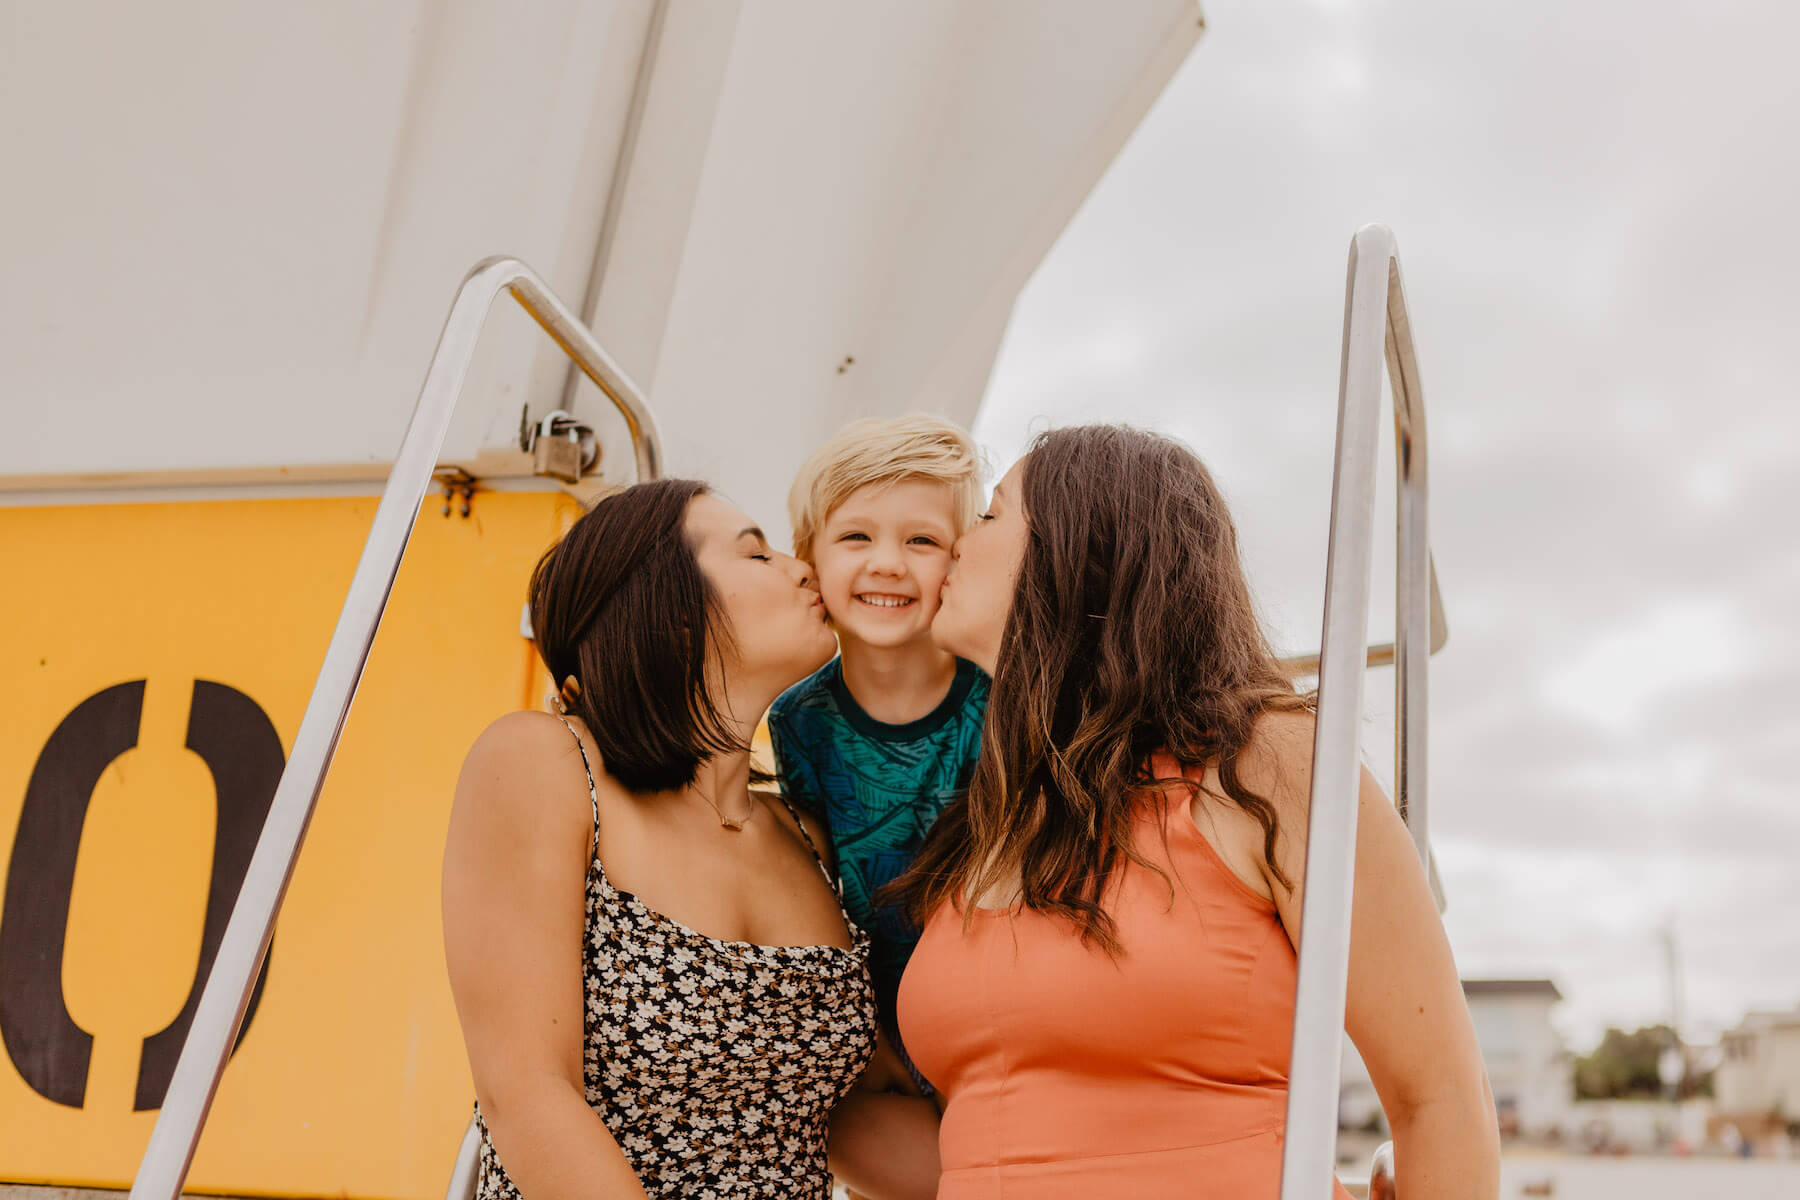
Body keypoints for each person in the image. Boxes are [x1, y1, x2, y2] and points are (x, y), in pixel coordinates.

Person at [893, 425, 1501, 1199]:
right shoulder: (987, 820)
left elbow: (1442, 1101)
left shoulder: (1265, 760)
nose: (955, 542)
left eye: (989, 514)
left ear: (1082, 550)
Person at [440, 478, 880, 1200]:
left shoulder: (809, 834)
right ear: (669, 610)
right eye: (757, 554)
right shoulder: (545, 761)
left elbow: (855, 1117)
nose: (803, 567)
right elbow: (527, 1092)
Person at [768, 415, 987, 1091]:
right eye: (856, 537)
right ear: (810, 558)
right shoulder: (798, 719)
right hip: (875, 1039)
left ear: (959, 562)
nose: (887, 563)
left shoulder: (1000, 701)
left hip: (988, 1019)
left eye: (922, 540)